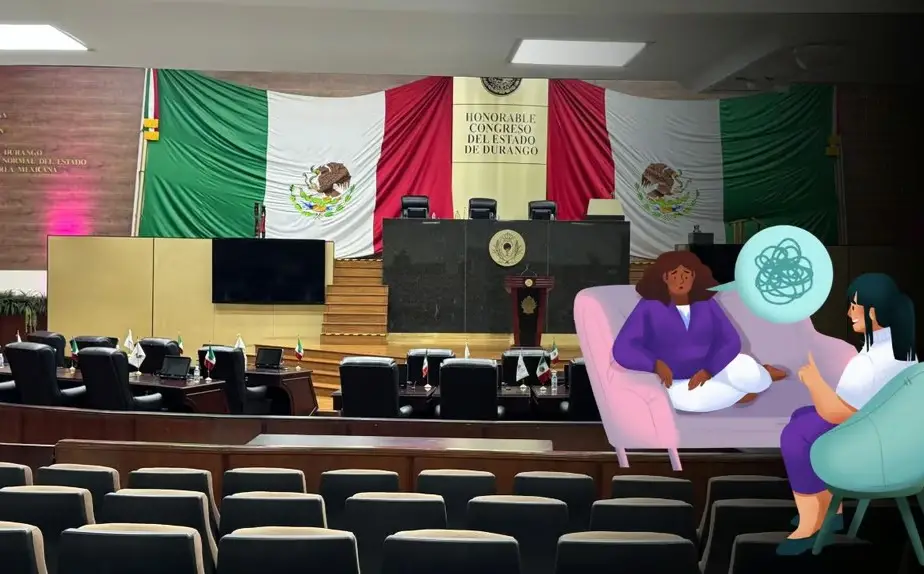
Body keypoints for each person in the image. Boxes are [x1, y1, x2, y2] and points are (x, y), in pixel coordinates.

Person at [776, 273, 917, 555]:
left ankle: (810, 524)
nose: (849, 313)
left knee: (796, 434)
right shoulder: (902, 349)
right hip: (890, 436)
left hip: (873, 450)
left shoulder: (870, 360)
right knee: (802, 415)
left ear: (873, 312)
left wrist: (814, 381)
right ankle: (831, 510)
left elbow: (837, 413)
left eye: (854, 306)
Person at [612, 251, 787, 413]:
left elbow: (731, 340)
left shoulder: (706, 303)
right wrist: (655, 364)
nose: (681, 280)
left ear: (694, 277)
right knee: (692, 402)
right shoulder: (649, 306)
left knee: (747, 370)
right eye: (674, 274)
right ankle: (745, 390)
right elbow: (623, 348)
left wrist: (709, 370)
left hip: (714, 368)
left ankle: (759, 376)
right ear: (665, 277)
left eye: (686, 274)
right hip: (678, 380)